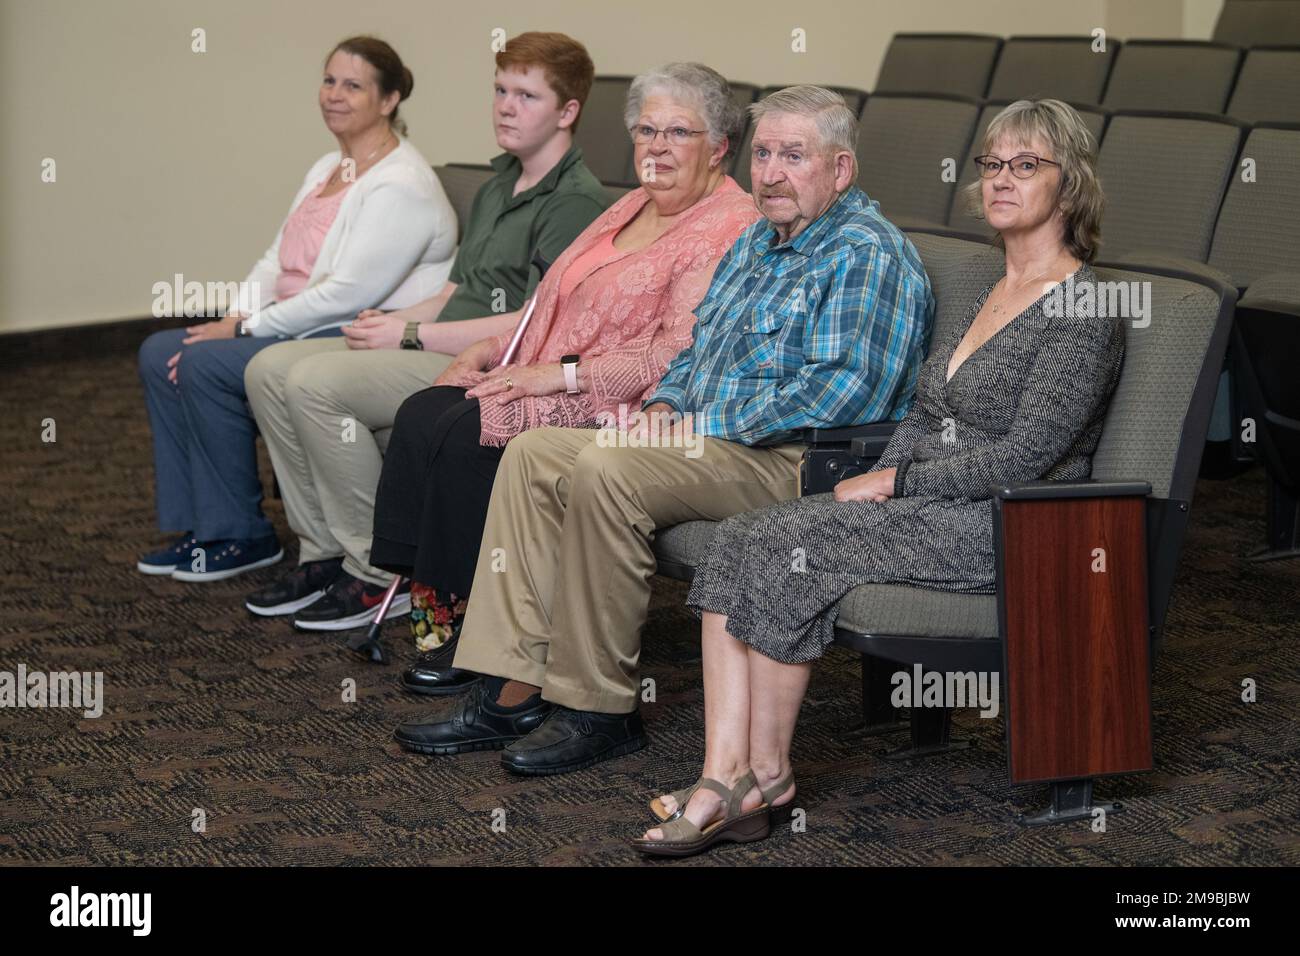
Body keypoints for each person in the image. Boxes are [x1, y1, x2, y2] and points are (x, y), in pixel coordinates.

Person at [394, 86, 934, 775]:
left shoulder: (866, 253)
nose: (769, 171)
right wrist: (661, 408)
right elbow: (693, 351)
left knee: (610, 469)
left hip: (795, 460)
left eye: (794, 156)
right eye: (764, 152)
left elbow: (841, 394)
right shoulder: (758, 243)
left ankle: (598, 708)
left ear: (841, 170)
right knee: (533, 455)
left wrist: (692, 425)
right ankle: (512, 687)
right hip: (708, 443)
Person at [633, 99, 1123, 857]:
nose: (1000, 179)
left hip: (1004, 523)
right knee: (742, 539)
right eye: (992, 164)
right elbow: (928, 416)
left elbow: (1029, 456)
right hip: (934, 505)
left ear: (1071, 185)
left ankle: (753, 779)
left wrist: (895, 484)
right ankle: (735, 776)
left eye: (1025, 166)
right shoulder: (992, 289)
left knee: (785, 542)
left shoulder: (1085, 305)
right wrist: (894, 470)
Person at [368, 62, 761, 654]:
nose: (657, 146)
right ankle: (435, 612)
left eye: (679, 133)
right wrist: (487, 350)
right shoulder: (628, 206)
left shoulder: (730, 226)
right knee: (426, 410)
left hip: (625, 401)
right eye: (646, 131)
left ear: (719, 148)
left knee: (469, 433)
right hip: (545, 373)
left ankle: (487, 630)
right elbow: (548, 303)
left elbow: (678, 353)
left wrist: (557, 376)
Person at [242, 32, 609, 630]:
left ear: (567, 112)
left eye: (527, 95)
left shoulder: (574, 202)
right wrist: (401, 320)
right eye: (500, 90)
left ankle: (375, 570)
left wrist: (411, 339)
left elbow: (537, 323)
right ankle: (325, 551)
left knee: (313, 383)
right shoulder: (498, 185)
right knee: (268, 367)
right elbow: (453, 289)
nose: (506, 106)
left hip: (490, 362)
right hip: (441, 339)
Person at [136, 36, 455, 582]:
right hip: (291, 318)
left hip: (349, 329)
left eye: (353, 85)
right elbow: (274, 258)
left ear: (389, 100)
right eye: (329, 80)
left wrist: (242, 329)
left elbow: (346, 295)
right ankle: (203, 527)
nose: (334, 94)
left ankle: (241, 534)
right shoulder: (327, 167)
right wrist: (232, 318)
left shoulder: (401, 184)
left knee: (202, 363)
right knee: (157, 349)